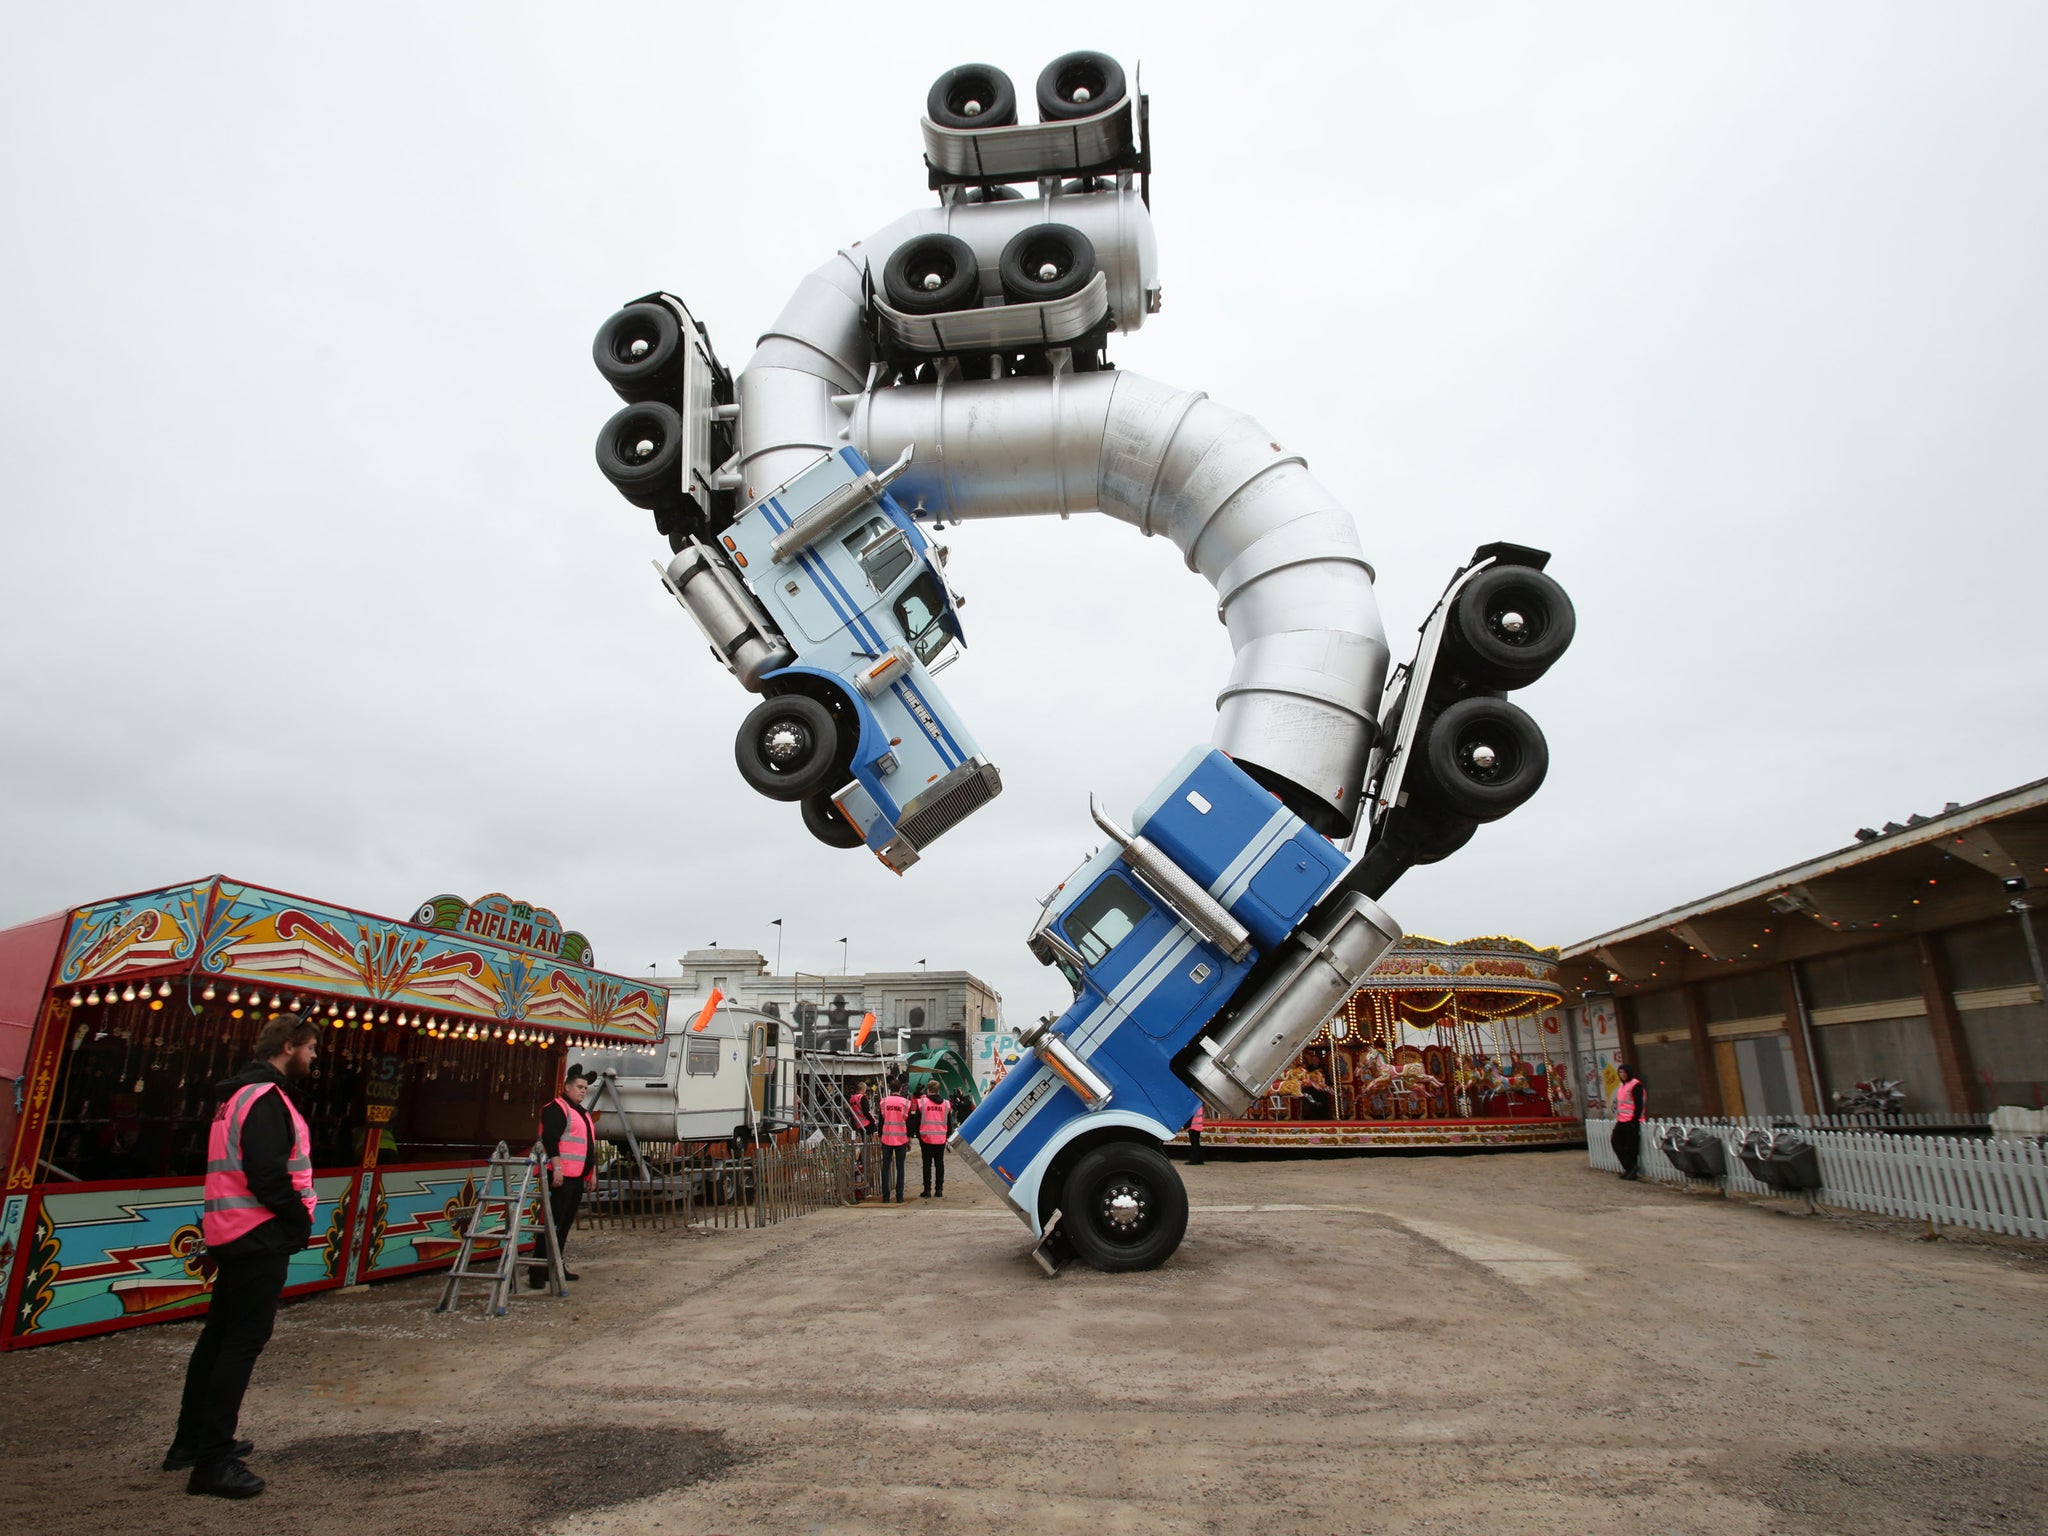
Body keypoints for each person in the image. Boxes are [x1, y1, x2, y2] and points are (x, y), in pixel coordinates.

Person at [166, 1015, 320, 1499]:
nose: (314, 1057)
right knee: (242, 1343)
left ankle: (191, 1441)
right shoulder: (265, 1099)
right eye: (311, 1048)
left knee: (218, 1339)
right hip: (257, 1232)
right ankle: (213, 1462)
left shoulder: (236, 1096)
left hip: (230, 1231)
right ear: (290, 1045)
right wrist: (297, 1220)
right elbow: (267, 1172)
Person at [528, 1070, 598, 1287]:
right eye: (579, 1087)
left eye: (585, 1088)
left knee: (565, 1223)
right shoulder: (556, 1109)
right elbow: (550, 1139)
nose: (583, 1092)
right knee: (552, 1223)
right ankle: (538, 1271)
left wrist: (591, 1172)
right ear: (567, 1087)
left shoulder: (583, 1113)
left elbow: (589, 1146)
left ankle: (555, 1265)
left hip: (577, 1175)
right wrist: (556, 1167)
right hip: (560, 1175)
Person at [877, 1078, 912, 1203]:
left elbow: (881, 1121)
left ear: (890, 1089)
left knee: (885, 1167)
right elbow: (908, 1122)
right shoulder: (905, 1103)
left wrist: (880, 1135)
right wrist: (909, 1138)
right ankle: (899, 1196)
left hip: (887, 1137)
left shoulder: (884, 1102)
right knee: (900, 1167)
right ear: (900, 1089)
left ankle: (886, 1196)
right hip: (901, 1138)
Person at [1612, 1061, 1646, 1180]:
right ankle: (1629, 1167)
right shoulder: (1622, 1086)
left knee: (1631, 1146)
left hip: (1631, 1120)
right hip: (1622, 1119)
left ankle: (1631, 1168)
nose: (1622, 1074)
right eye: (1620, 1072)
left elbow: (1639, 1103)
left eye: (1624, 1072)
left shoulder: (1635, 1085)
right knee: (1616, 1141)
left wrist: (1634, 1119)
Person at [916, 1085, 950, 1198]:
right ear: (938, 1090)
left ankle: (927, 1190)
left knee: (927, 1164)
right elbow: (949, 1122)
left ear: (928, 1090)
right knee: (939, 1164)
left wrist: (918, 1136)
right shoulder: (946, 1104)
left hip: (926, 1138)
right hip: (941, 1138)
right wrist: (947, 1136)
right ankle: (939, 1190)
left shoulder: (922, 1103)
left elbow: (917, 1120)